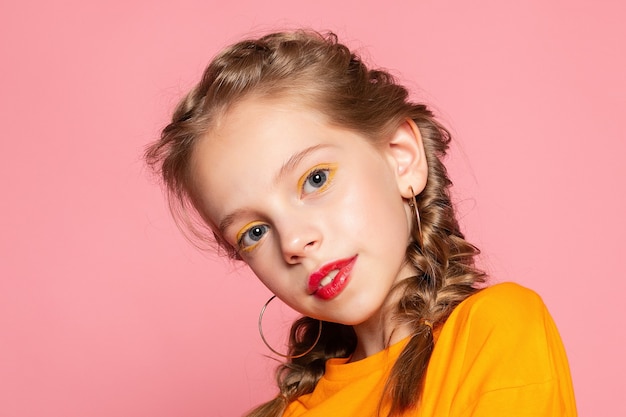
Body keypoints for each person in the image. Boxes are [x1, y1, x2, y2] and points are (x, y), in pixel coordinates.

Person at [145, 30, 576, 416]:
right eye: (254, 233)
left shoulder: (494, 331)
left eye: (316, 179)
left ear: (400, 157)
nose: (294, 241)